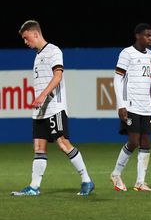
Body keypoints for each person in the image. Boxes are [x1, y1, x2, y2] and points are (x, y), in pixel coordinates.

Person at [11, 20, 94, 196]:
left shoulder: (53, 51)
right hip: (40, 110)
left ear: (35, 33)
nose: (25, 42)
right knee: (39, 147)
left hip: (54, 107)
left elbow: (58, 76)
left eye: (26, 38)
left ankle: (87, 180)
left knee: (63, 144)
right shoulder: (38, 55)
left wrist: (41, 96)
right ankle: (34, 187)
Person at [110, 23, 151, 192]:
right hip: (131, 105)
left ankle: (140, 182)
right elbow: (117, 79)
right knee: (134, 141)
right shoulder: (127, 53)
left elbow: (150, 81)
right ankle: (116, 173)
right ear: (138, 36)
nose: (150, 38)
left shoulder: (150, 55)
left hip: (146, 107)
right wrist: (121, 105)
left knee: (146, 142)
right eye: (147, 35)